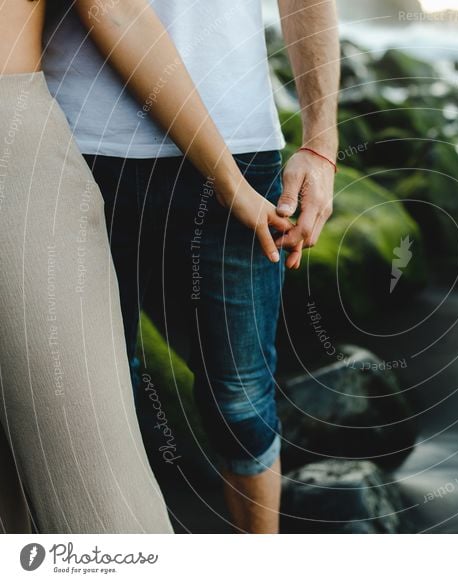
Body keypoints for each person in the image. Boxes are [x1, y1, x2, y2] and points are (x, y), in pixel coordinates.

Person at [42, 1, 340, 533]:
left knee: (242, 398)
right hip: (78, 143)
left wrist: (321, 144)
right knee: (98, 398)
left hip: (242, 143)